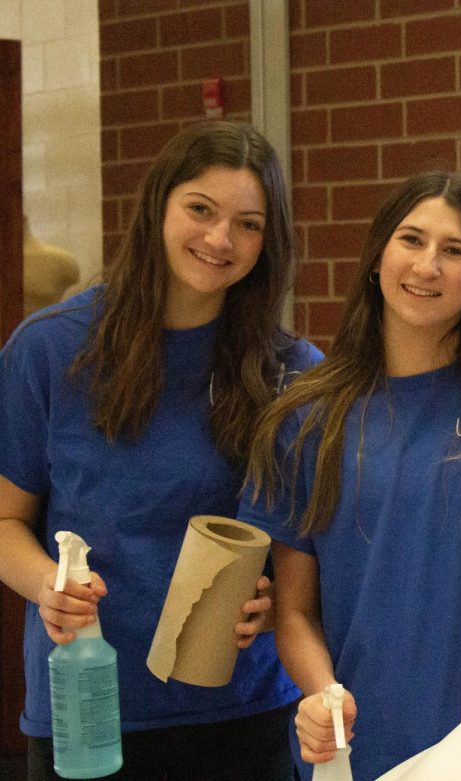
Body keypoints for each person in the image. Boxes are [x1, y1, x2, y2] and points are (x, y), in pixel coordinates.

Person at [0, 120, 323, 779]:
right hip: (91, 710)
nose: (218, 239)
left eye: (248, 224)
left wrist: (280, 608)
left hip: (245, 714)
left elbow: (320, 548)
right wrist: (48, 584)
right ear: (159, 207)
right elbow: (4, 519)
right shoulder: (51, 349)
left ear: (270, 240)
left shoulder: (293, 373)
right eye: (200, 209)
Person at [240, 172, 461, 780]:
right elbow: (294, 611)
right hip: (349, 752)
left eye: (454, 251)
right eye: (411, 241)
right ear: (377, 259)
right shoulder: (306, 417)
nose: (427, 266)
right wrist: (320, 695)